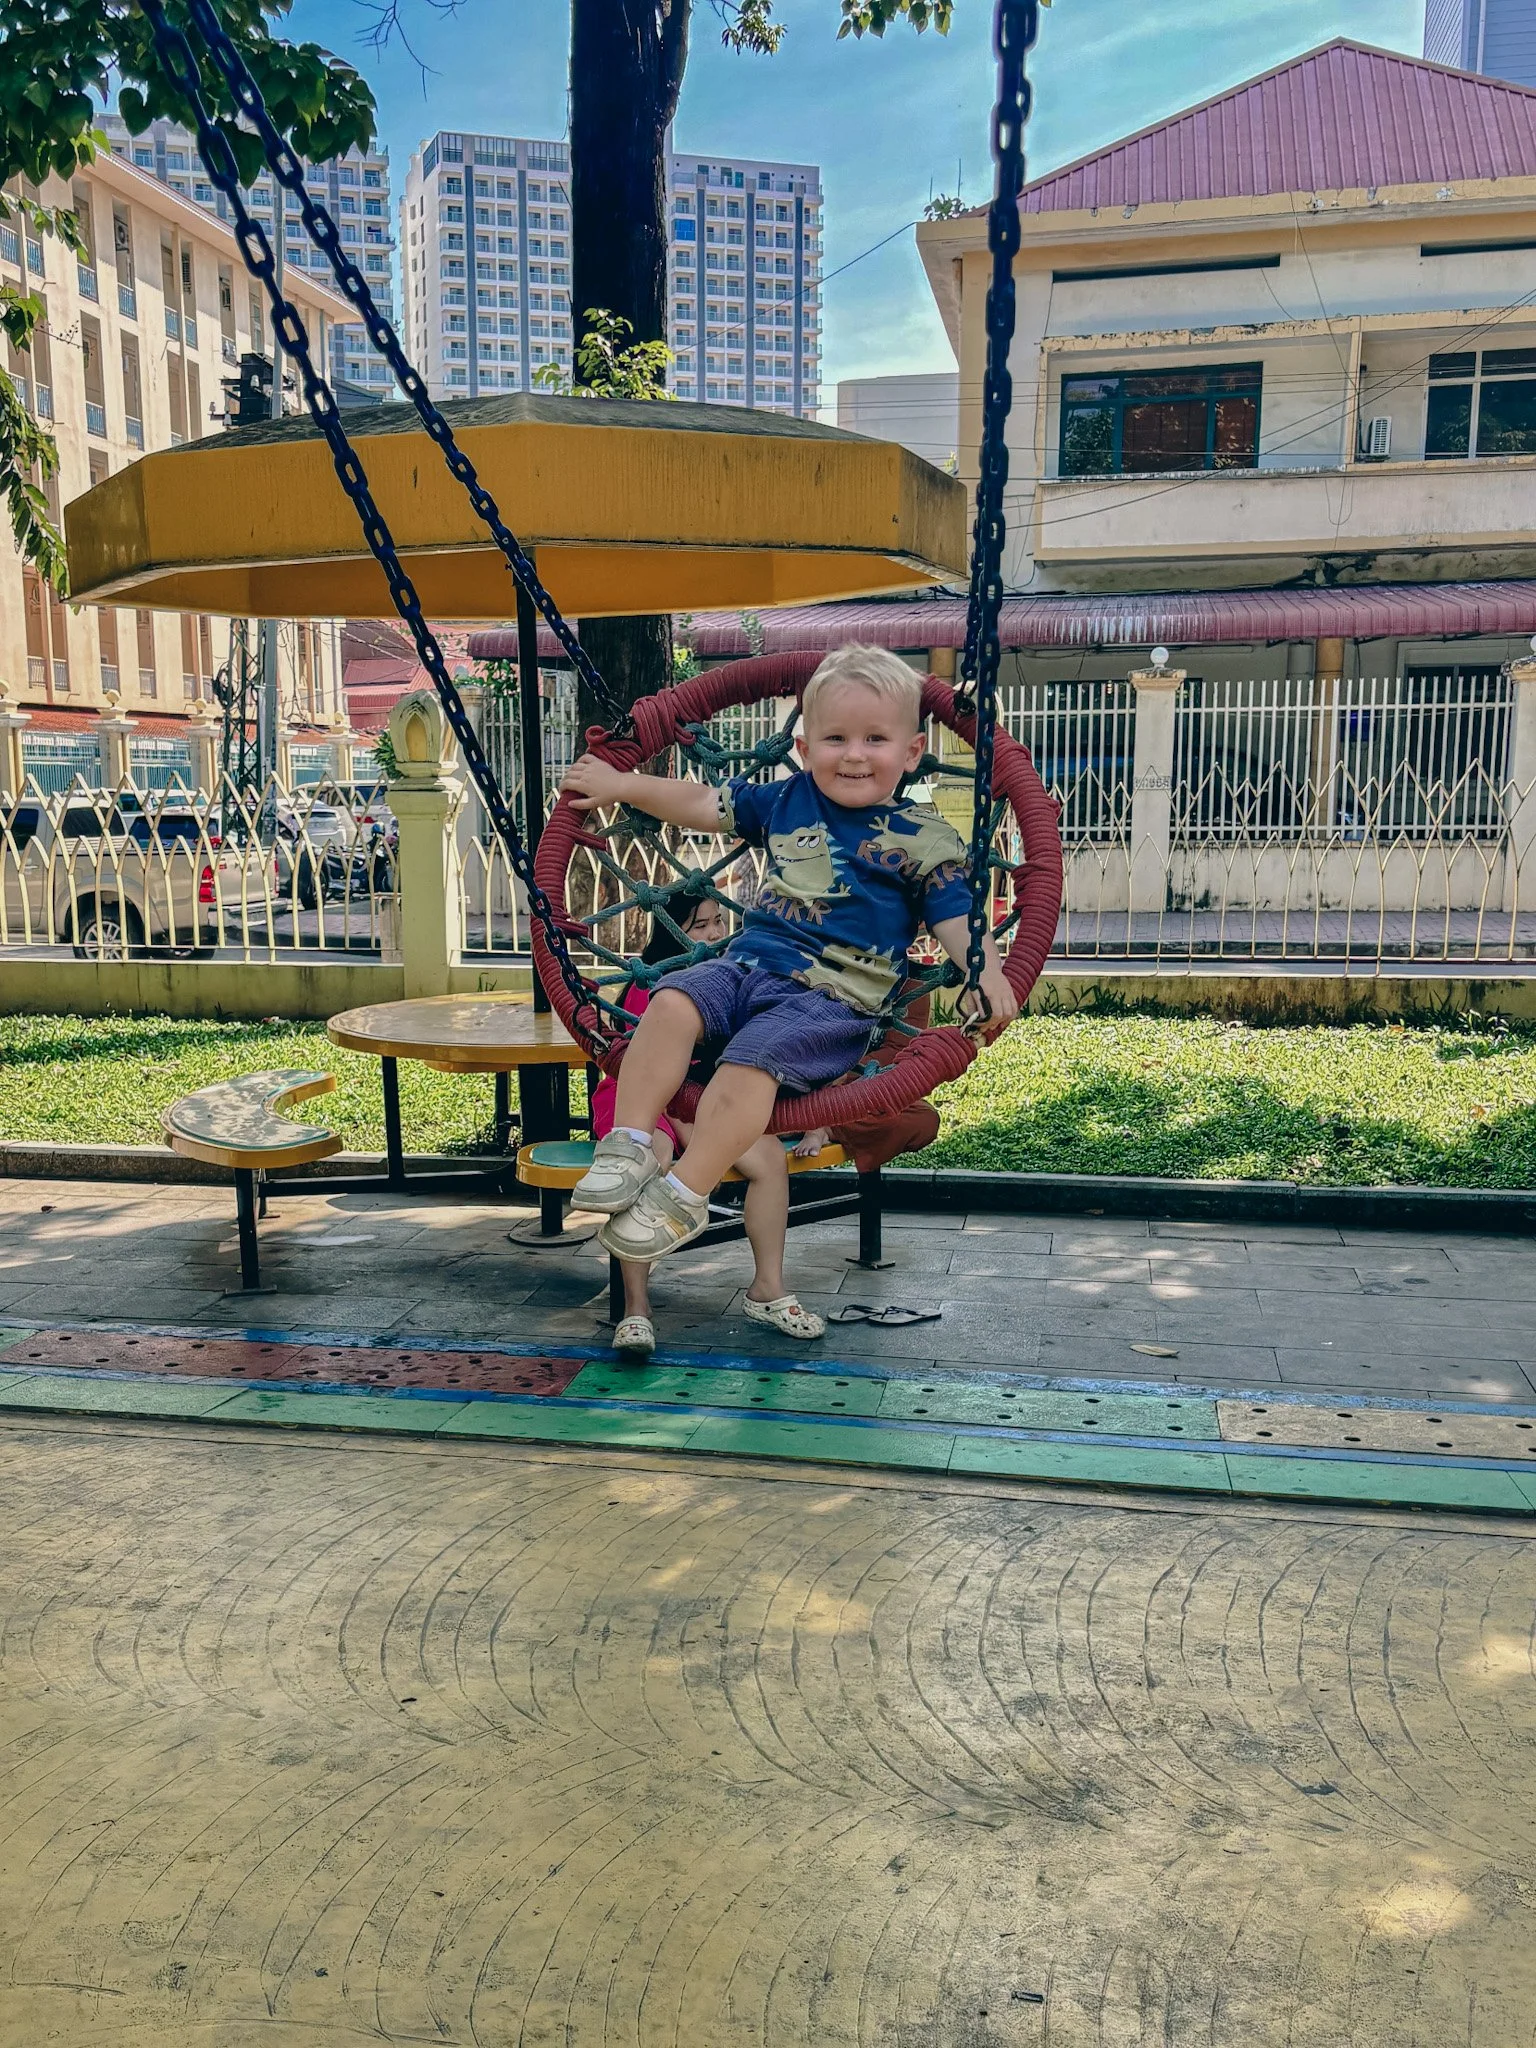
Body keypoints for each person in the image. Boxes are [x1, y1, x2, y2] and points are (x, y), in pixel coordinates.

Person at [561, 642, 1017, 1262]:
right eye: (835, 739)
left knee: (749, 1067)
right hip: (749, 967)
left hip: (835, 1000)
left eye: (876, 739)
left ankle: (684, 1194)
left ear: (911, 753)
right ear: (804, 749)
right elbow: (701, 804)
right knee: (669, 1001)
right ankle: (631, 1141)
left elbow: (952, 916)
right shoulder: (787, 799)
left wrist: (984, 969)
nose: (854, 755)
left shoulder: (925, 837)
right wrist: (622, 784)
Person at [590, 890, 831, 1355]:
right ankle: (636, 1308)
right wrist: (686, 1128)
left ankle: (767, 1287)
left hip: (703, 1098)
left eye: (718, 921)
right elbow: (648, 1071)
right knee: (650, 1159)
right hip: (642, 1098)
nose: (716, 934)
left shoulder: (731, 975)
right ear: (673, 930)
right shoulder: (653, 988)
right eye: (701, 926)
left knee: (768, 1161)